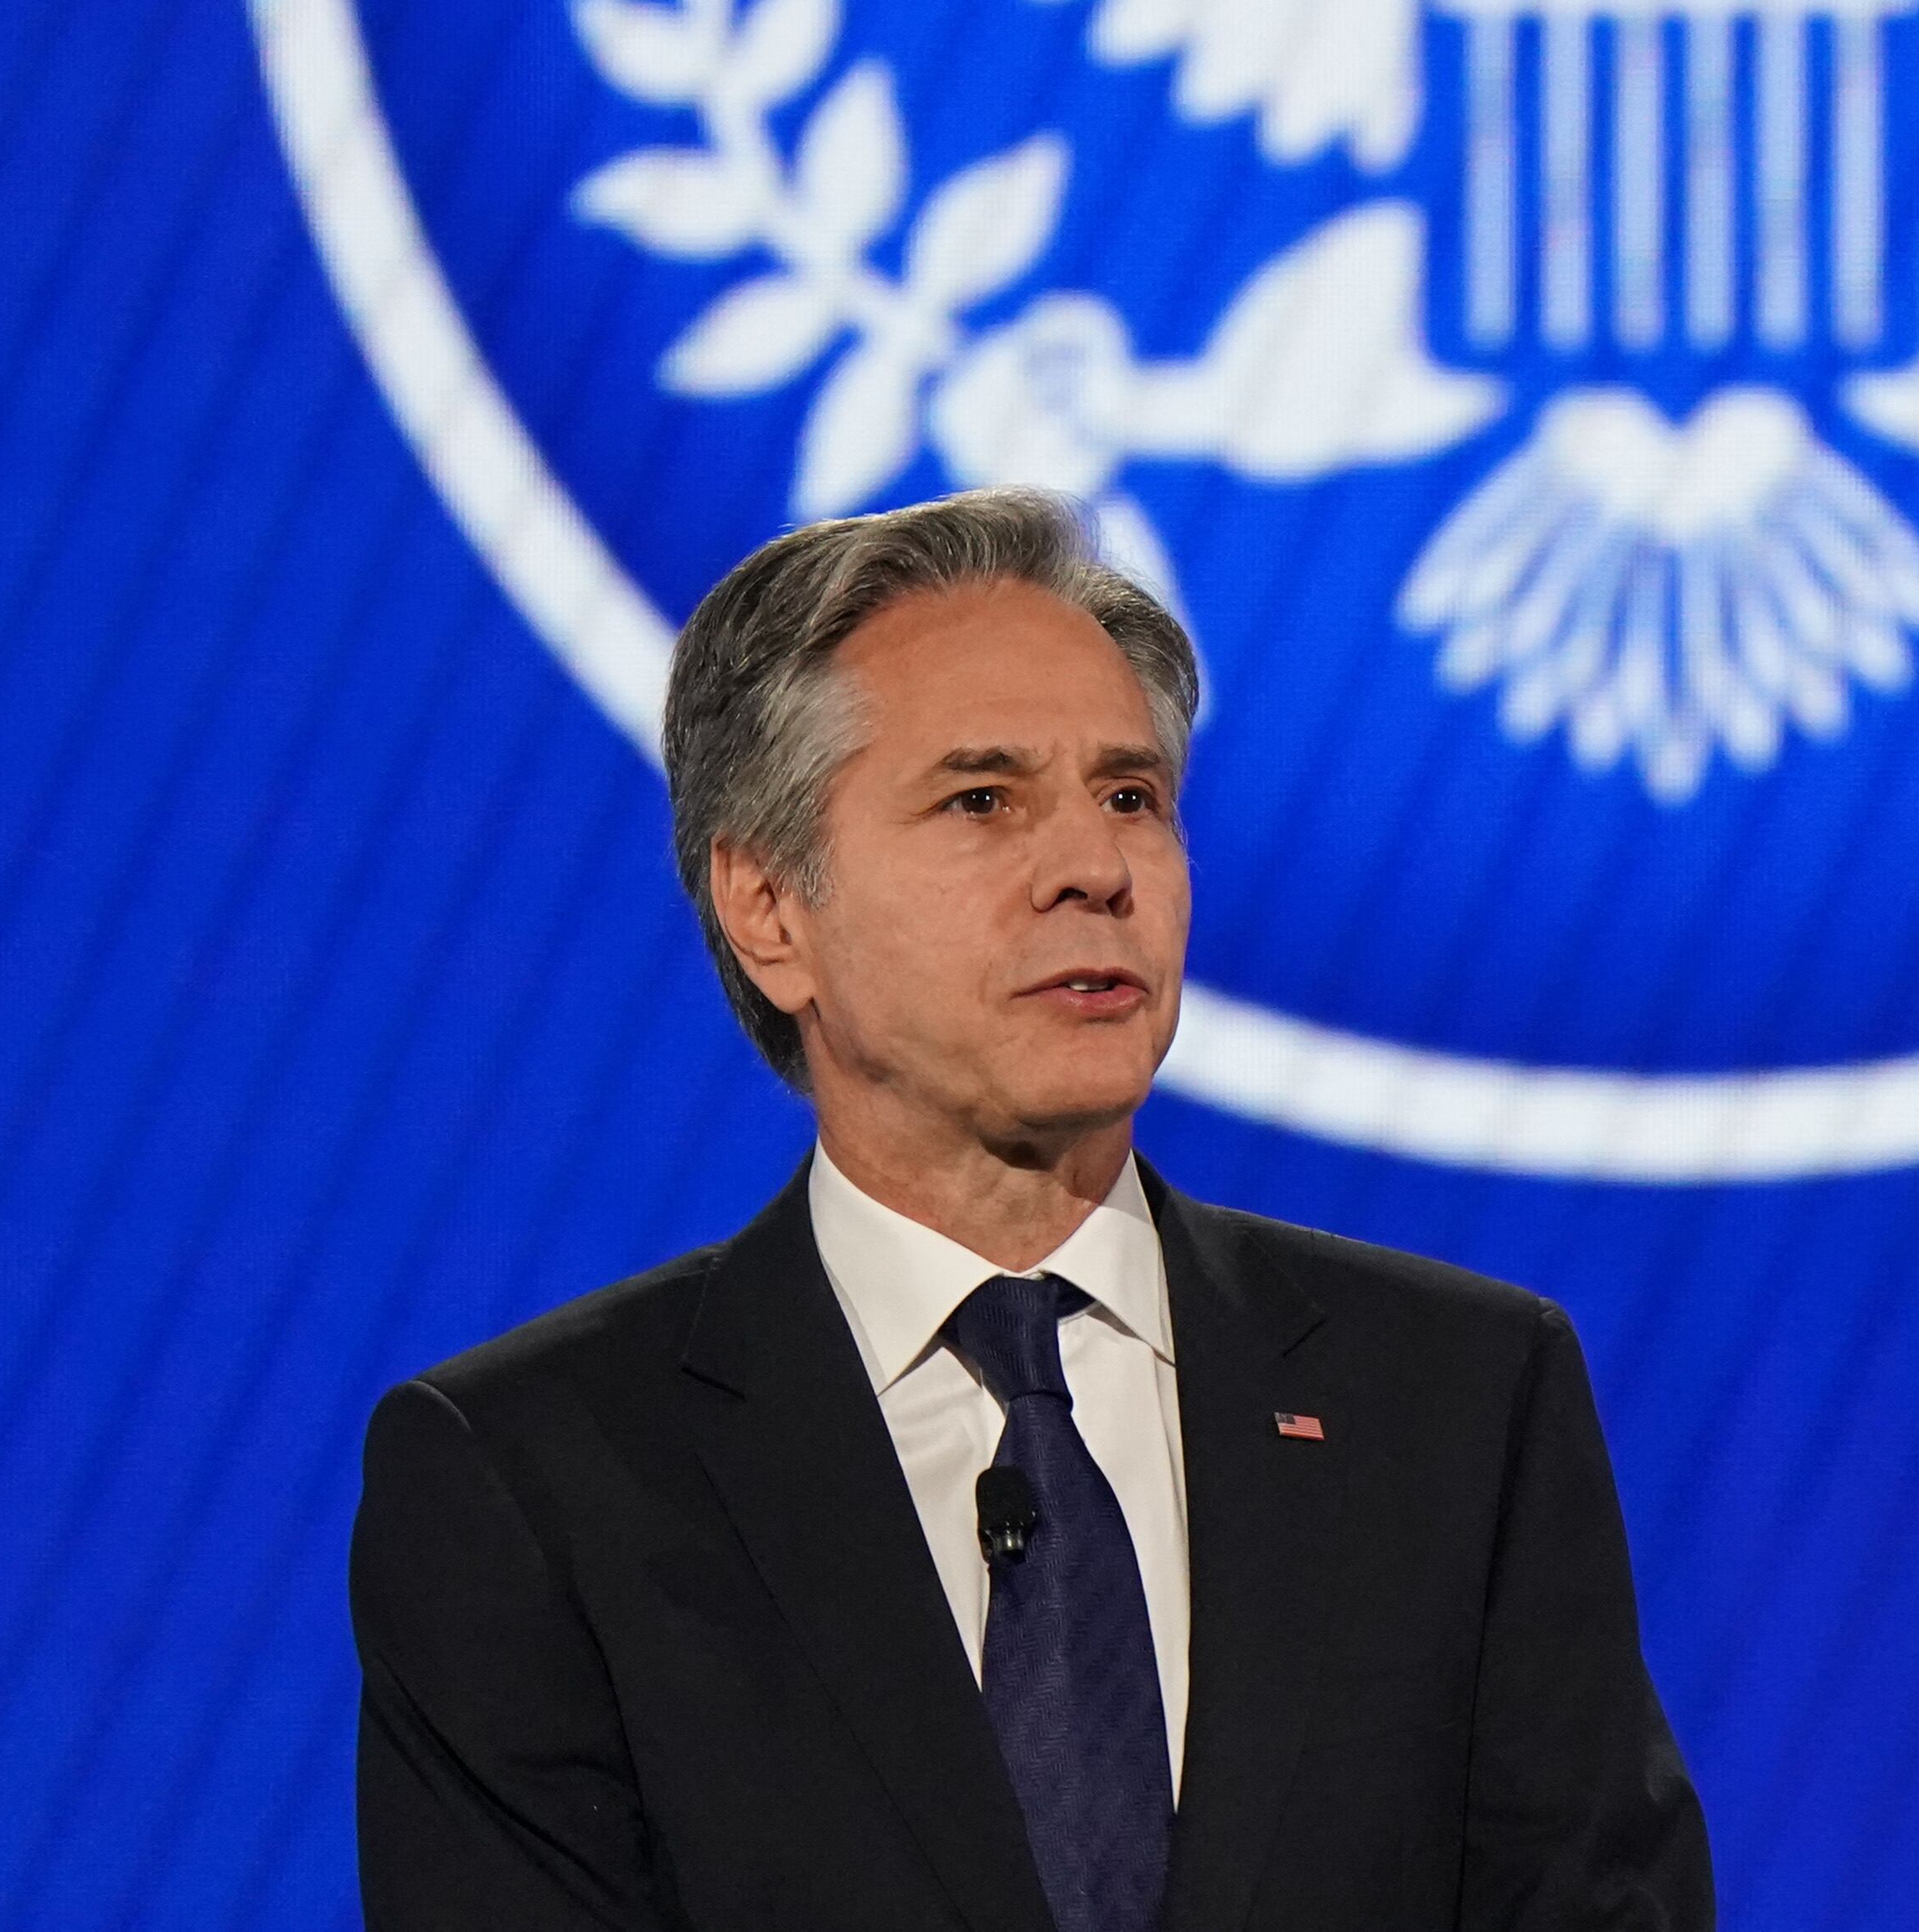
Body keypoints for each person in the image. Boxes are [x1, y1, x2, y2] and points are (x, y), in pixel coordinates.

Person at [348, 488, 1715, 1932]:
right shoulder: (542, 1478)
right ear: (770, 911)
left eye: (1132, 797)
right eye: (982, 801)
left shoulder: (1453, 1401)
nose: (1095, 868)